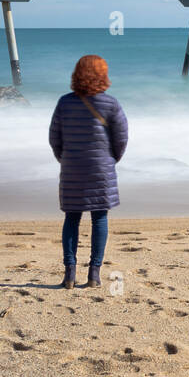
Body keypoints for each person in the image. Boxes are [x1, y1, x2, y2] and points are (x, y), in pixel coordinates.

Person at [48, 55, 128, 289]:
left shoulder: (64, 103)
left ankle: (69, 275)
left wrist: (65, 159)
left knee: (72, 217)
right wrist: (112, 159)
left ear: (77, 75)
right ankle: (94, 274)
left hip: (72, 168)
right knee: (99, 218)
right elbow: (121, 138)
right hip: (101, 169)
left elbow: (55, 137)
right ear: (104, 76)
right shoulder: (111, 104)